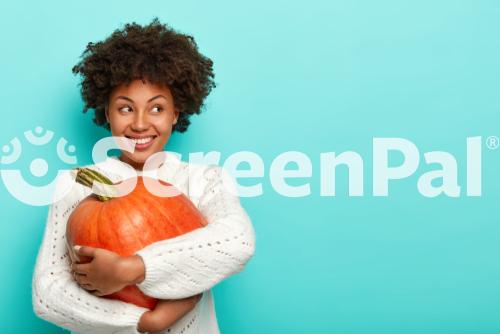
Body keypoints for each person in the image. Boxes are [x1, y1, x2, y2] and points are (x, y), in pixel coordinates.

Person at [31, 18, 256, 334]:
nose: (139, 124)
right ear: (106, 112)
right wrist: (145, 321)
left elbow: (237, 242)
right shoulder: (75, 184)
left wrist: (131, 269)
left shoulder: (206, 179)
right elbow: (48, 294)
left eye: (156, 108)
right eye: (125, 109)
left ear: (176, 112)